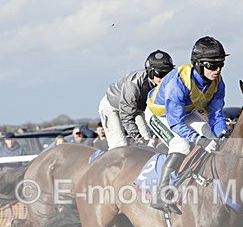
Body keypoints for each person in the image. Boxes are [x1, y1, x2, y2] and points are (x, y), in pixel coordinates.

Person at [145, 36, 230, 213]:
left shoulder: (217, 83)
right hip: (159, 114)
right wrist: (199, 140)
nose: (218, 70)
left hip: (186, 112)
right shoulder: (179, 82)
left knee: (212, 138)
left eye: (221, 64)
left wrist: (222, 134)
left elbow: (215, 114)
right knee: (181, 144)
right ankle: (161, 193)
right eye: (212, 65)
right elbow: (175, 123)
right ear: (198, 64)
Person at [98, 50, 175, 148]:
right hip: (111, 107)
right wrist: (138, 139)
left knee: (149, 143)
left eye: (168, 74)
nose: (164, 79)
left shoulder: (166, 84)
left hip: (136, 108)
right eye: (160, 74)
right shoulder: (133, 86)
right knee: (120, 145)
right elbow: (126, 117)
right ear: (150, 72)